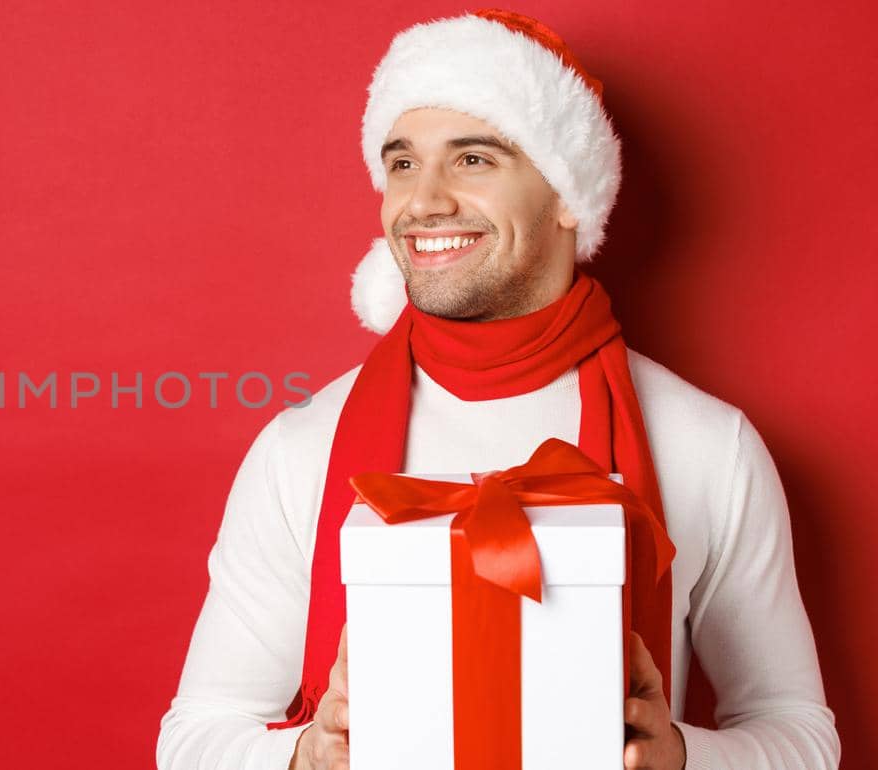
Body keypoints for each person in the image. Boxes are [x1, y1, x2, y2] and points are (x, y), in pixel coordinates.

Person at [156, 10, 839, 770]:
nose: (423, 202)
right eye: (403, 163)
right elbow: (195, 737)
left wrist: (677, 756)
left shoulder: (706, 445)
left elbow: (799, 734)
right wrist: (306, 759)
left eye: (474, 159)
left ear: (569, 194)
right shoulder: (301, 447)